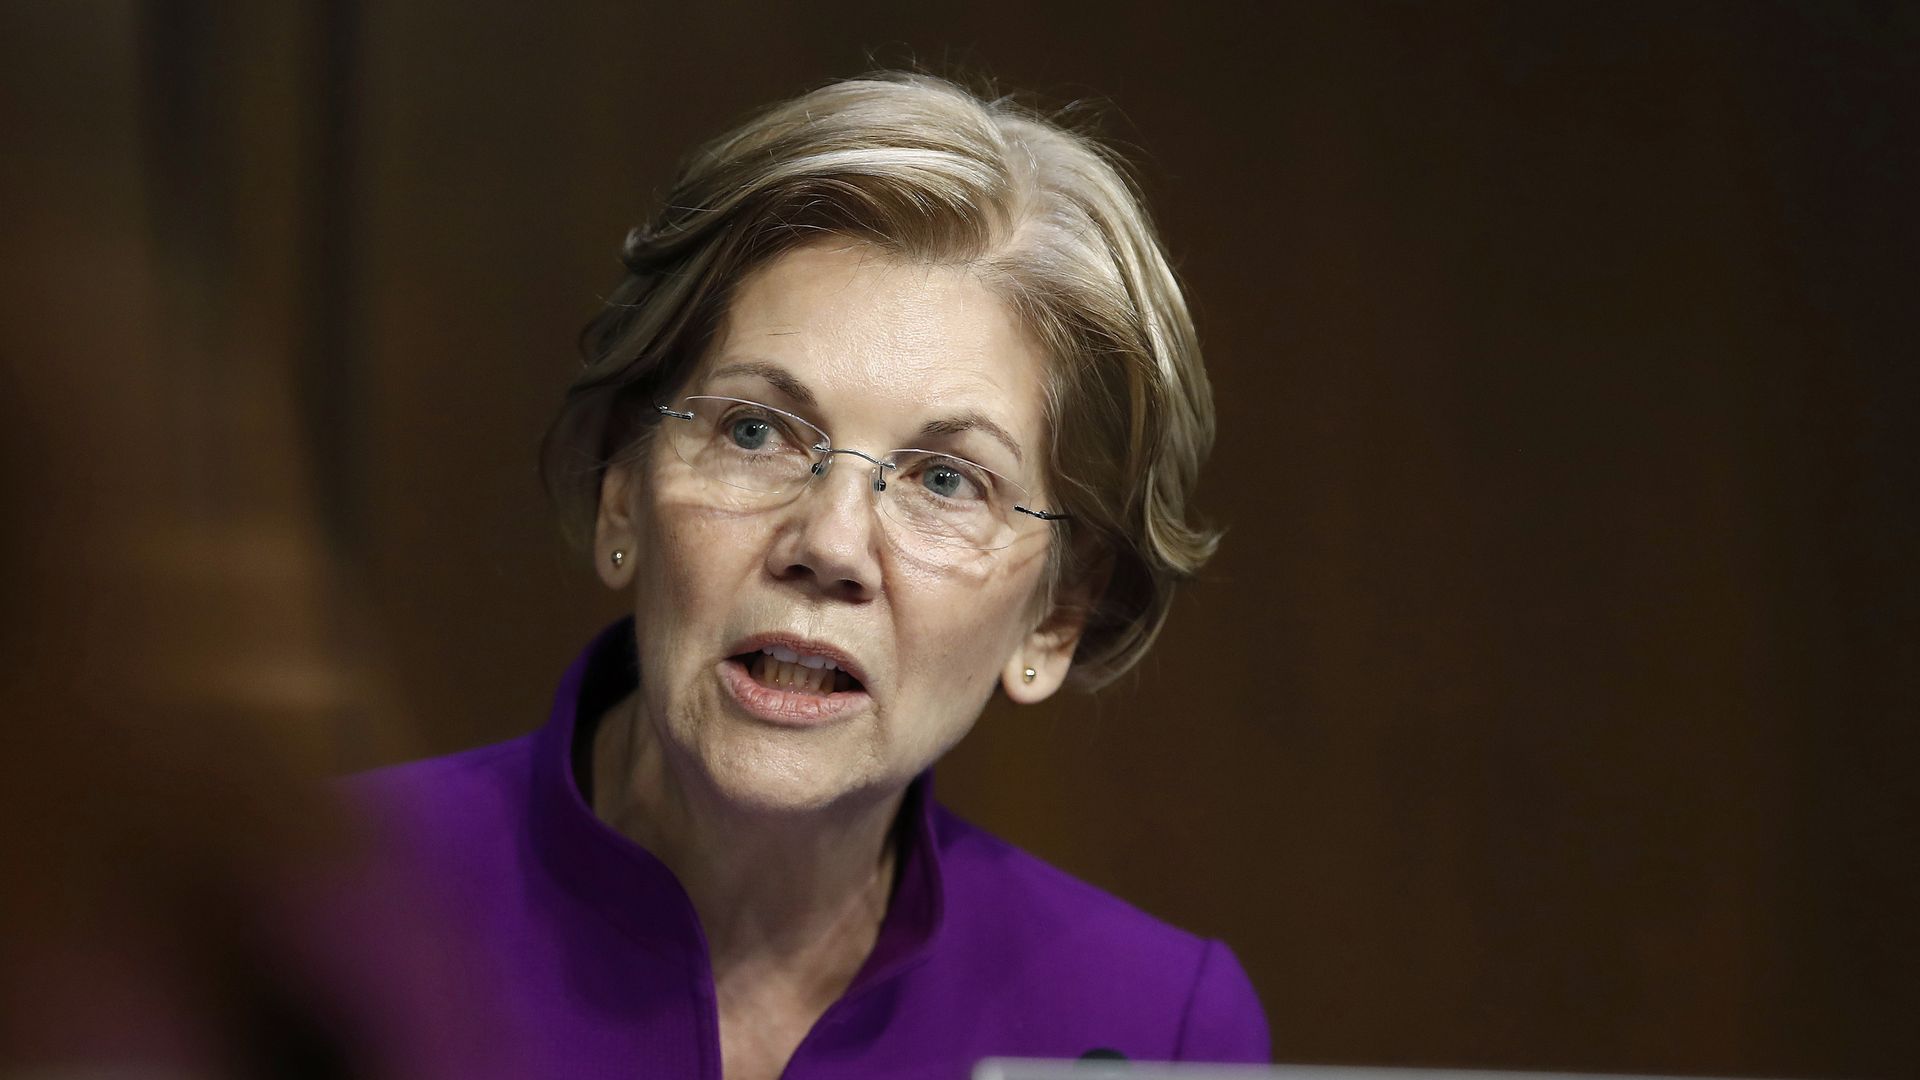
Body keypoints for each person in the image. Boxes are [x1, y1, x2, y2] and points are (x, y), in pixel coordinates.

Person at [348, 71, 1267, 1078]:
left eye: (947, 481)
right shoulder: (303, 904)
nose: (829, 545)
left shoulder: (1147, 1026)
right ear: (623, 488)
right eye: (756, 431)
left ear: (1055, 615)